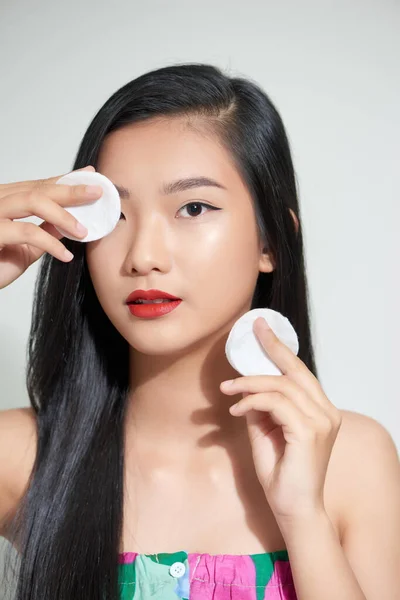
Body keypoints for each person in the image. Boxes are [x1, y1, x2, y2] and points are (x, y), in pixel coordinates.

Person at [0, 63, 398, 600]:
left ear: (270, 243)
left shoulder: (354, 460)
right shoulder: (25, 455)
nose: (143, 256)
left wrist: (303, 516)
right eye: (113, 214)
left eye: (193, 207)